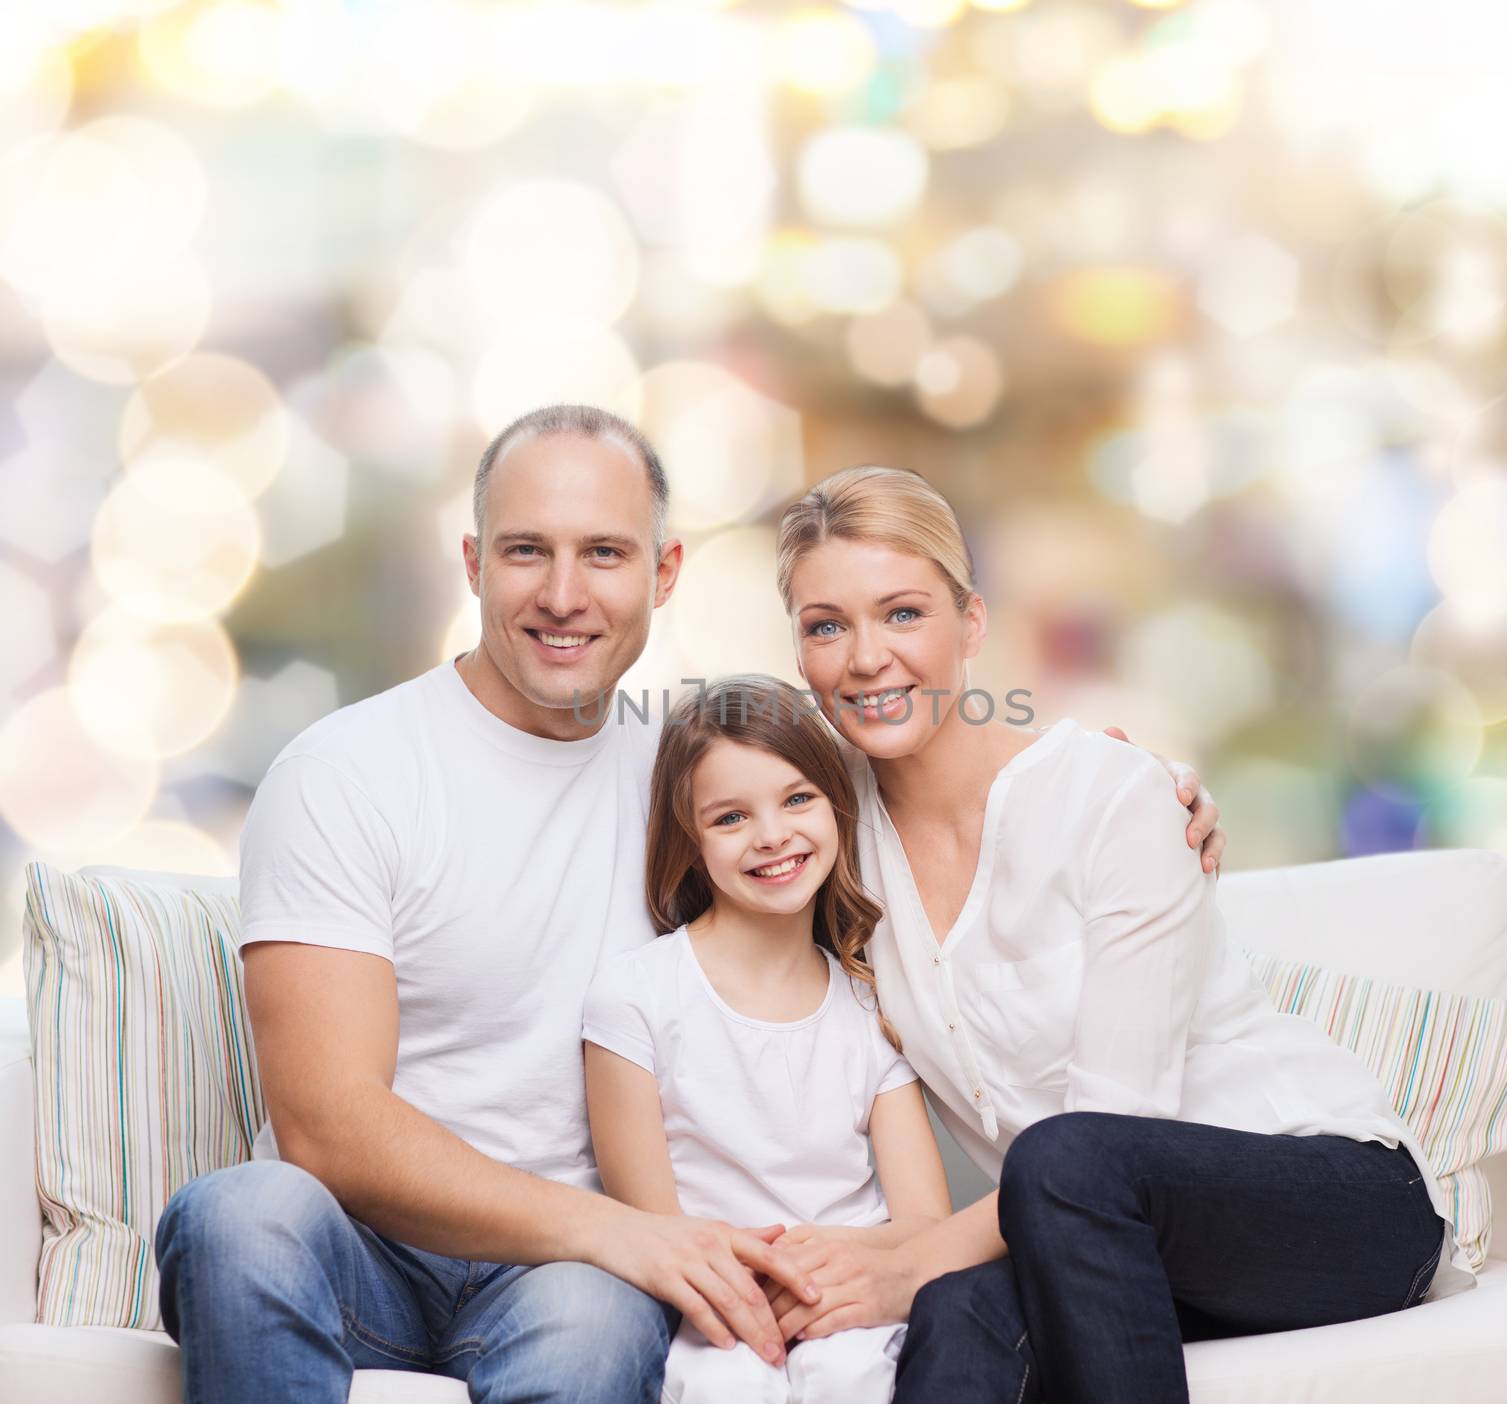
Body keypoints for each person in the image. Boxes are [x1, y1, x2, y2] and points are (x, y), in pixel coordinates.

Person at [150, 404, 1219, 1403]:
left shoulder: (699, 775)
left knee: (585, 1326)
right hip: (381, 1246)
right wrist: (628, 1235)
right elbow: (326, 1125)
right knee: (239, 1214)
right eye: (527, 550)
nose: (564, 595)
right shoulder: (347, 770)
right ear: (474, 563)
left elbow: (896, 766)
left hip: (577, 1274)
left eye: (604, 553)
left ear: (663, 573)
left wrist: (1133, 788)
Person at [752, 465, 1472, 1404]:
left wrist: (910, 1259)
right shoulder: (825, 843)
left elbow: (1112, 1125)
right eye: (825, 626)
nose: (865, 657)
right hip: (1095, 1238)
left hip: (1332, 1203)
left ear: (969, 624)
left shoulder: (1112, 800)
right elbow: (692, 807)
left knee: (1063, 1155)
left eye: (901, 613)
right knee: (954, 1317)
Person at [583, 675, 952, 1403]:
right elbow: (652, 1229)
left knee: (852, 1376)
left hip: (852, 1302)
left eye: (797, 798)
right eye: (730, 818)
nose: (773, 835)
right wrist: (758, 1281)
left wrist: (826, 1273)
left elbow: (925, 1225)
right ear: (690, 844)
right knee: (726, 1386)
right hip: (707, 1307)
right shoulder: (635, 996)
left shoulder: (871, 999)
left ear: (836, 808)